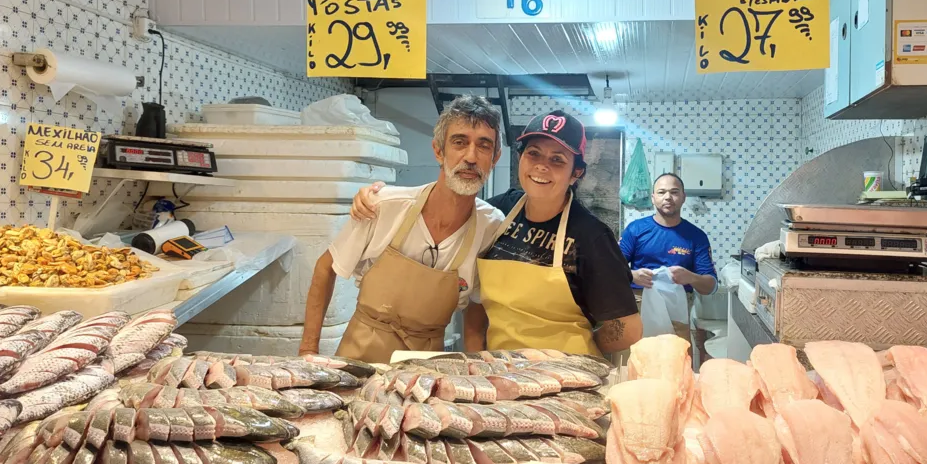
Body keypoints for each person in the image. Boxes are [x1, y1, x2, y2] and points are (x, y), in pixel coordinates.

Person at [350, 110, 642, 357]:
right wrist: (376, 195)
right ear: (521, 159)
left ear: (576, 173)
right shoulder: (496, 213)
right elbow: (477, 299)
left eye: (558, 160)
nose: (542, 165)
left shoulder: (591, 236)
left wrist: (582, 353)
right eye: (534, 153)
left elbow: (628, 328)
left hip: (566, 374)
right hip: (502, 371)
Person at [298, 96, 505, 363]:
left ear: (495, 157)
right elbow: (326, 268)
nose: (471, 157)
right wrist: (307, 351)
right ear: (439, 151)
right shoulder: (384, 206)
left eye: (484, 146)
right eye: (459, 142)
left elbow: (476, 305)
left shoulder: (492, 226)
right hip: (361, 353)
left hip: (428, 366)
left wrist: (474, 365)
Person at [619, 172, 718, 300]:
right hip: (639, 302)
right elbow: (610, 268)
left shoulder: (697, 236)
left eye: (674, 192)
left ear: (683, 197)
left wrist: (690, 277)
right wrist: (632, 275)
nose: (668, 197)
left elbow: (711, 287)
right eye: (661, 192)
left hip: (679, 306)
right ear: (653, 198)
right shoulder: (635, 229)